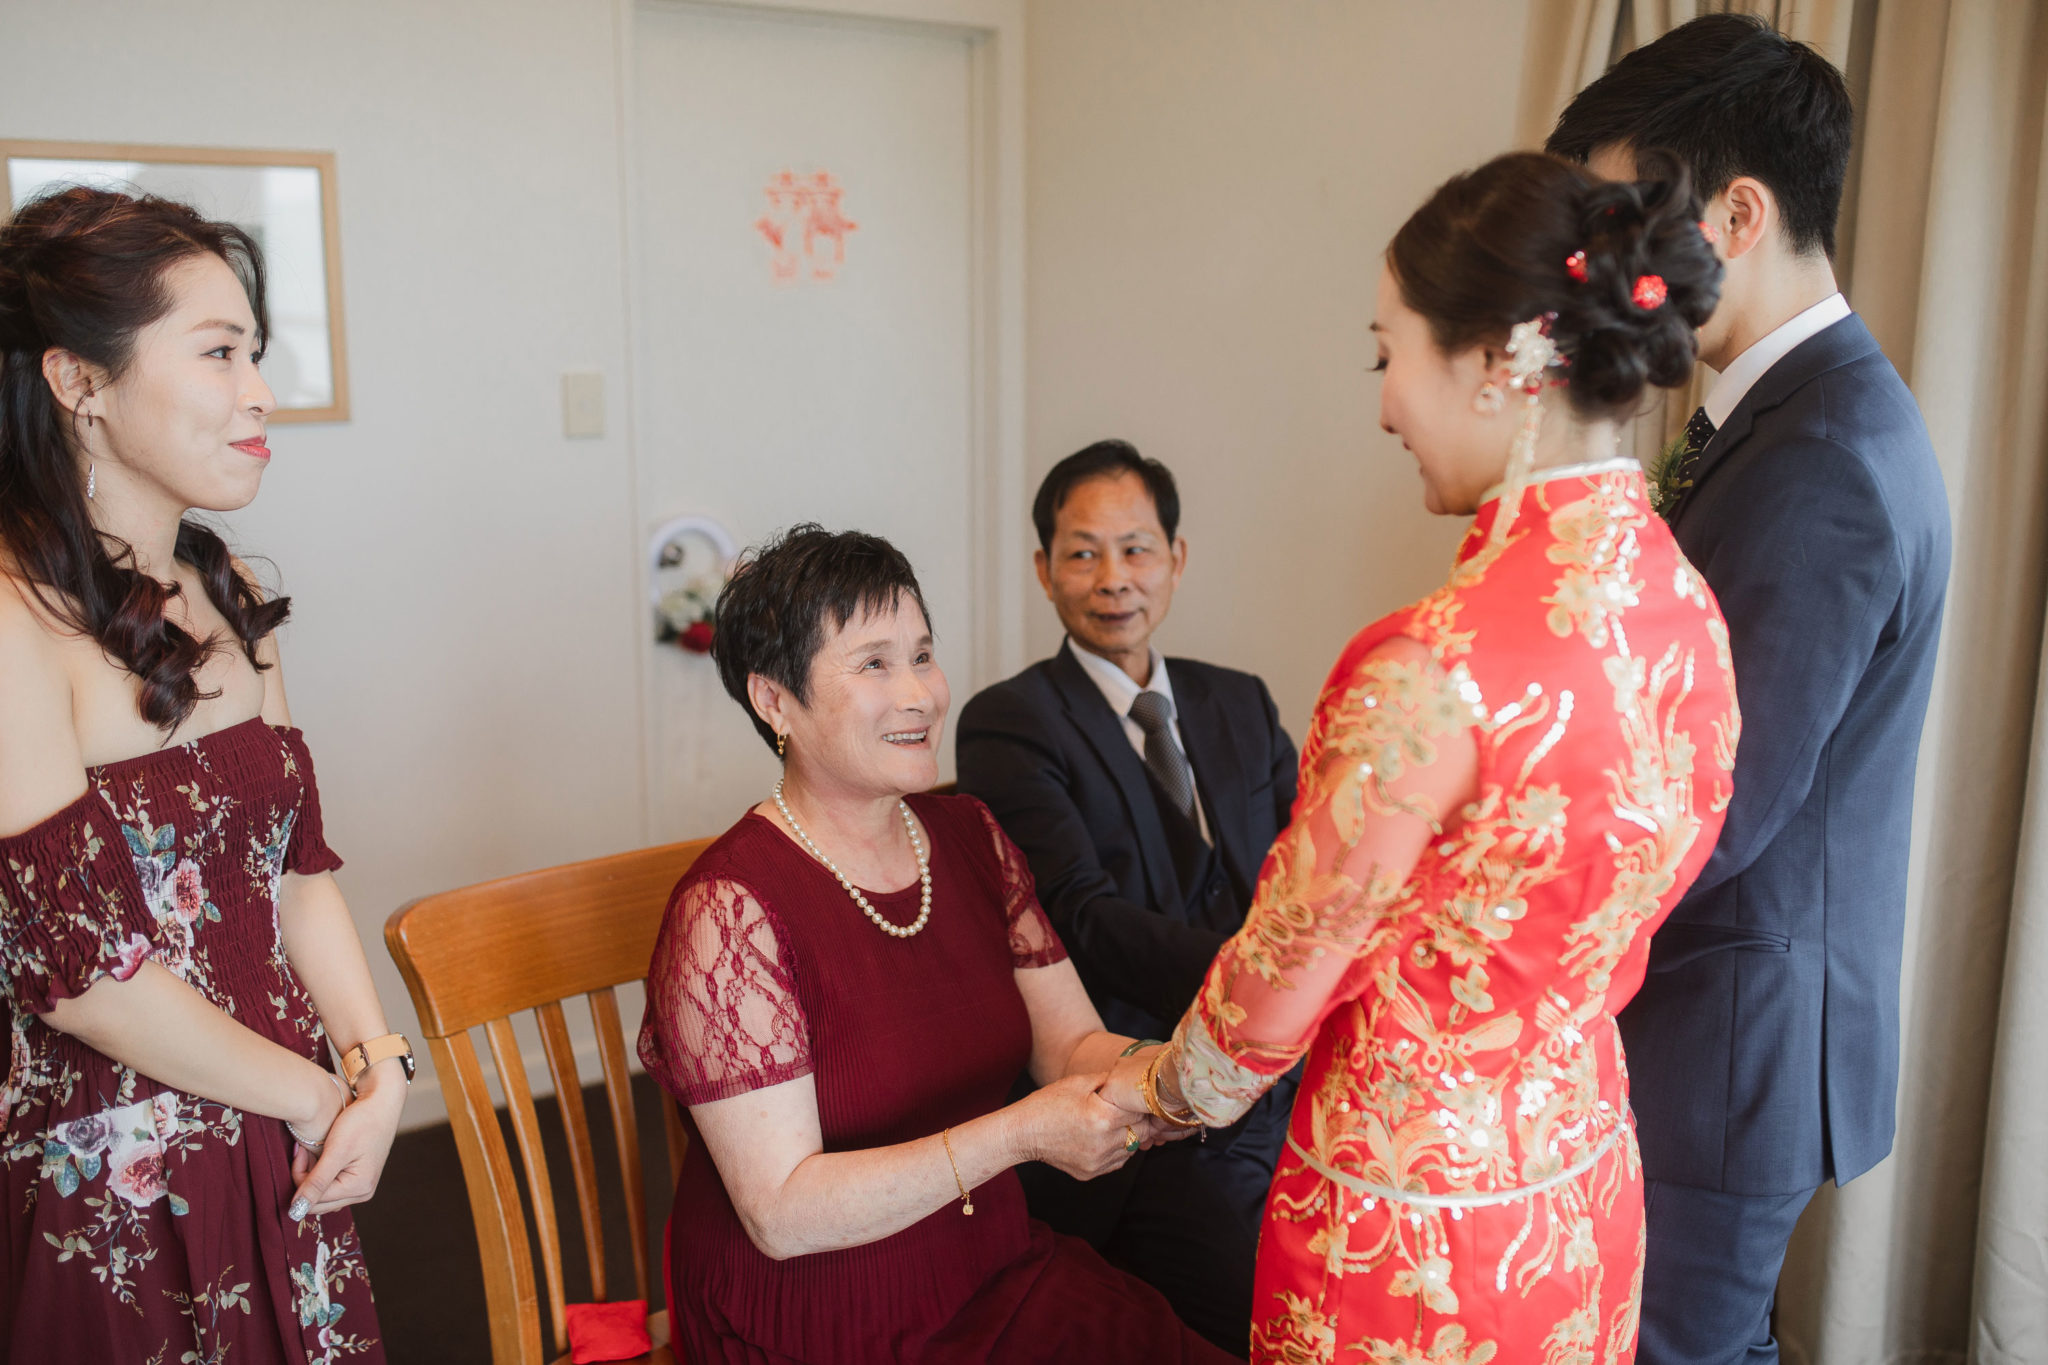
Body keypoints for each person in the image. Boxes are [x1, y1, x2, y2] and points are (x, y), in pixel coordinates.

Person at [1101, 151, 1739, 1362]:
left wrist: (1157, 1097)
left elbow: (1292, 959)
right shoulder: (1684, 609)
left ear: (1501, 360)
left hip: (1409, 1227)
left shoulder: (1427, 666)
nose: (1383, 404)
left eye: (1385, 354)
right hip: (1578, 1176)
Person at [1546, 18, 1952, 1363]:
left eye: (1624, 222)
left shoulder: (1825, 451)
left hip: (1727, 1037)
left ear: (1736, 210)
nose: (1608, 269)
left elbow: (1718, 803)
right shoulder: (1800, 415)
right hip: (1737, 1026)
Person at [635, 523, 1229, 1364]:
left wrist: (1189, 1072)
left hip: (988, 1265)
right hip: (819, 1313)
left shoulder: (969, 835)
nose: (920, 692)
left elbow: (1071, 1046)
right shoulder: (727, 912)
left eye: (922, 654)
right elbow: (780, 1210)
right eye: (874, 664)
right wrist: (1020, 1135)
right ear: (775, 700)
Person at [0, 187, 410, 1361]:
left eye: (258, 355)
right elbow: (81, 977)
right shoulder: (12, 618)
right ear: (78, 382)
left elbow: (298, 871)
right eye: (220, 353)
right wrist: (314, 1093)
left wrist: (374, 1067)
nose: (259, 393)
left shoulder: (221, 583)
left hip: (290, 1128)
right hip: (114, 1157)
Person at [955, 441, 1298, 1354]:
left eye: (1137, 549)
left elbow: (1306, 879)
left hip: (1285, 1074)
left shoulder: (1240, 703)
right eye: (1082, 552)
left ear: (1176, 559)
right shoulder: (1009, 722)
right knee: (1259, 1312)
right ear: (1043, 570)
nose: (1114, 579)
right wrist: (1263, 990)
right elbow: (1083, 917)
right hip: (1145, 1093)